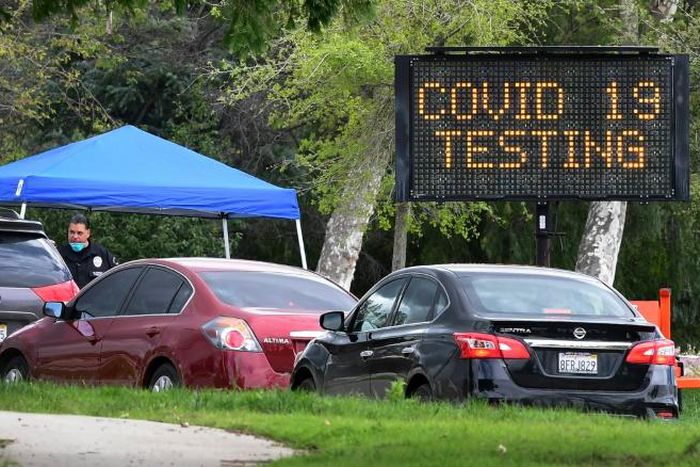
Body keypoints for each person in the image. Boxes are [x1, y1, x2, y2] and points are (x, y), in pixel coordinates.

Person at [58, 213, 117, 288]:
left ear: (88, 233)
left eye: (79, 233)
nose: (75, 237)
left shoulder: (101, 254)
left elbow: (117, 278)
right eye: (72, 232)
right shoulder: (58, 255)